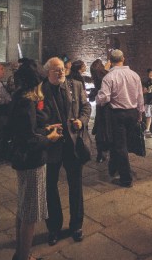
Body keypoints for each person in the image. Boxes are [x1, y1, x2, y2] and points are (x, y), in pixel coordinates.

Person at [9, 59, 62, 260]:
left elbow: (27, 130)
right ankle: (23, 256)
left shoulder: (19, 98)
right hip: (32, 162)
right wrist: (49, 138)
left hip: (24, 162)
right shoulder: (26, 103)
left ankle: (20, 253)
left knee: (23, 209)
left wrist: (46, 128)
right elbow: (30, 140)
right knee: (30, 215)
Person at [41, 57, 91, 245]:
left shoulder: (76, 85)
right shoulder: (41, 90)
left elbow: (86, 107)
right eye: (56, 70)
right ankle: (54, 228)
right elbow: (37, 118)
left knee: (76, 186)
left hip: (73, 144)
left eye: (62, 69)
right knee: (50, 188)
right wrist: (46, 129)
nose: (61, 72)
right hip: (52, 146)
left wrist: (82, 121)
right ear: (48, 72)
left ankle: (76, 225)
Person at [95, 50, 144, 188]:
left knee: (120, 145)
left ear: (110, 60)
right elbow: (140, 97)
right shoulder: (135, 75)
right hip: (132, 112)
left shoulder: (109, 77)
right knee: (125, 144)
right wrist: (140, 113)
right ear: (123, 58)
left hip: (117, 115)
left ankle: (126, 178)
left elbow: (104, 97)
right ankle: (114, 167)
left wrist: (96, 99)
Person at [89, 59, 110, 163]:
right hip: (108, 106)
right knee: (107, 129)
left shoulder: (96, 77)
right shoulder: (107, 76)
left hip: (100, 107)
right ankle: (107, 151)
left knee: (100, 130)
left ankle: (100, 154)